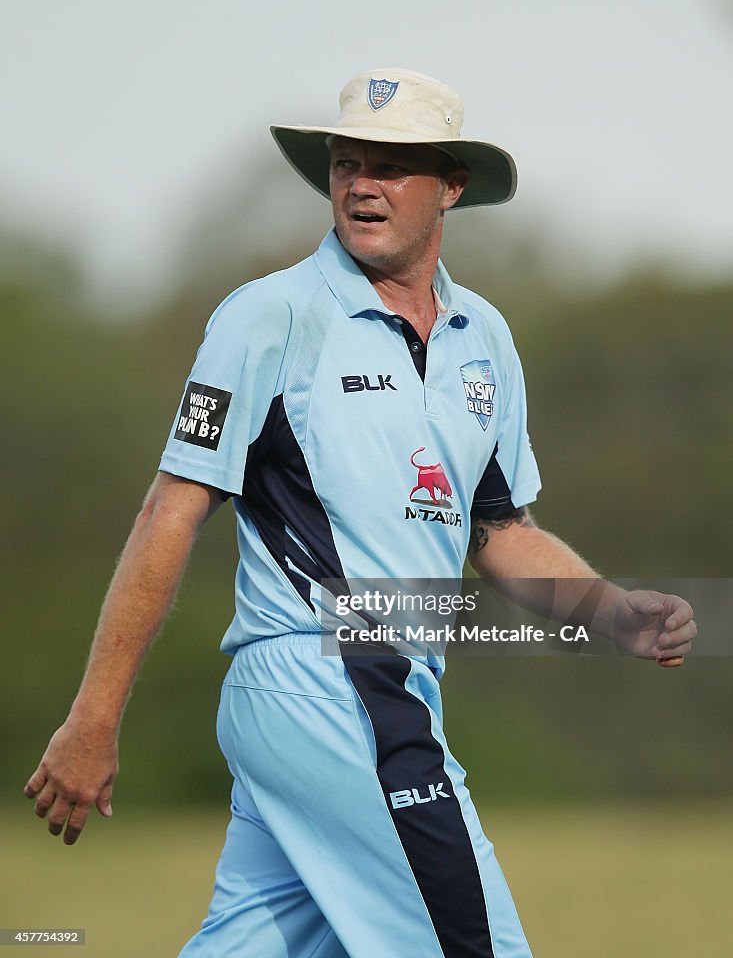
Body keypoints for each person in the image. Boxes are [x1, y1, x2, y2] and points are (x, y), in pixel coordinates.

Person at [25, 67, 697, 958]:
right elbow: (167, 515)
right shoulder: (268, 317)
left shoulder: (484, 337)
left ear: (451, 186)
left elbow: (500, 534)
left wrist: (614, 612)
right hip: (326, 683)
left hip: (380, 687)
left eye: (392, 164)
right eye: (346, 162)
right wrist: (93, 717)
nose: (361, 183)